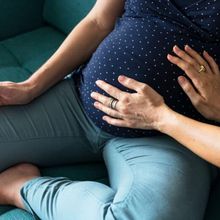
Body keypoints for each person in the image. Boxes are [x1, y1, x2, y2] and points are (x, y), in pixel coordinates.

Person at [0, 0, 219, 220]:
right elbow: (98, 21)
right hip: (80, 104)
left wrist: (164, 117)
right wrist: (30, 87)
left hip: (173, 137)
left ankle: (21, 187)